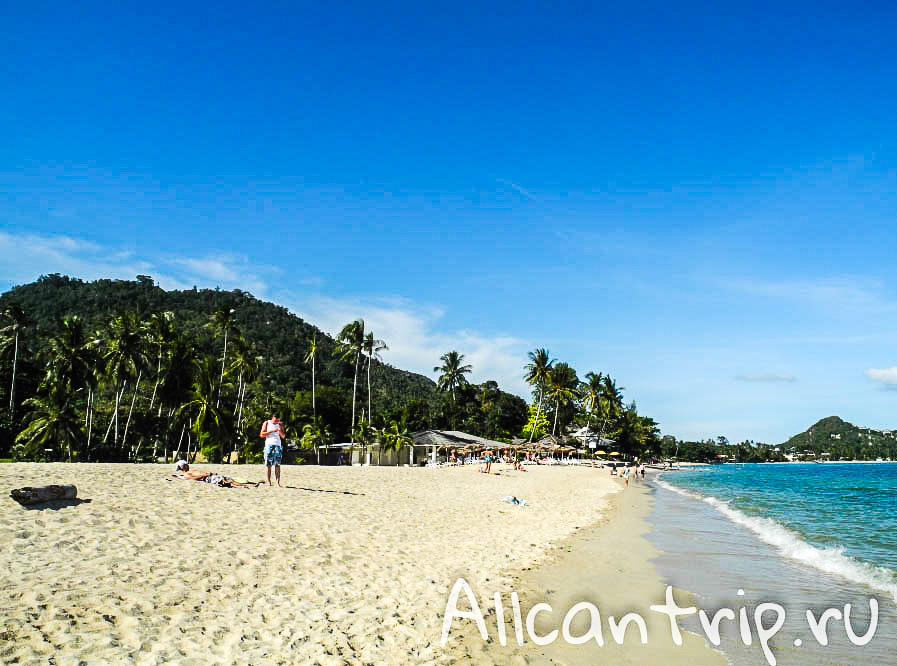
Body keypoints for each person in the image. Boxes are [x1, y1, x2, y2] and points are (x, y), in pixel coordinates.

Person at [260, 414, 284, 487]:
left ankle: (277, 482)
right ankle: (268, 481)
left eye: (278, 421)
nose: (276, 422)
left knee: (277, 464)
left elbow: (283, 436)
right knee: (268, 464)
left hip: (278, 445)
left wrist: (280, 431)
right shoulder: (267, 423)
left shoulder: (280, 424)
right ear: (273, 417)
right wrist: (271, 431)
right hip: (269, 445)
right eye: (275, 420)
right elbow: (261, 434)